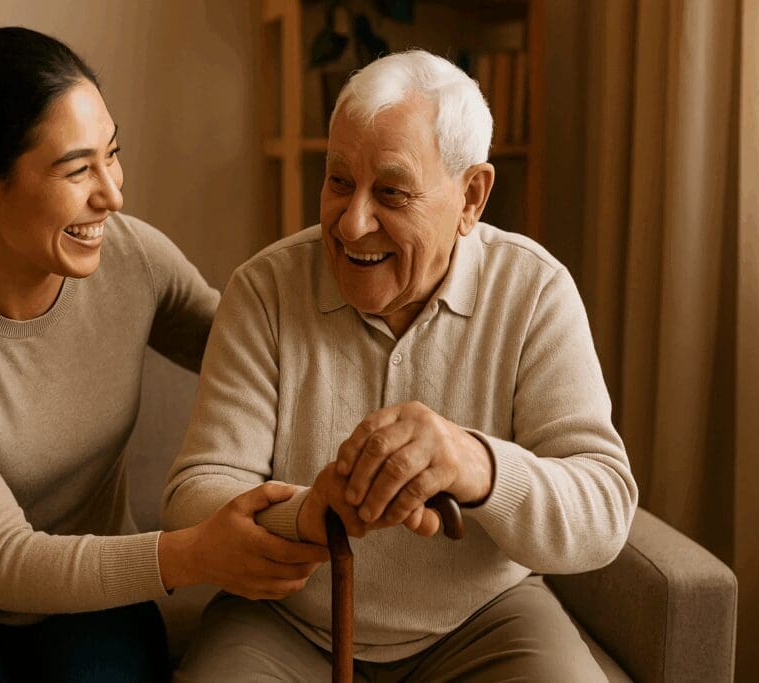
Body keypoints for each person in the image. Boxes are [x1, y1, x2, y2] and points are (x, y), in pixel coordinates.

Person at [0, 26, 328, 683]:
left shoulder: (132, 258)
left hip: (95, 602)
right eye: (77, 169)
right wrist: (194, 554)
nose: (113, 194)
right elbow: (3, 560)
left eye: (112, 154)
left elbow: (259, 356)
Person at [162, 49, 639, 681]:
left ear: (472, 196)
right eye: (338, 181)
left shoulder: (534, 291)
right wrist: (311, 513)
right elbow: (192, 498)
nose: (353, 224)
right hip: (288, 621)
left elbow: (603, 508)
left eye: (391, 192)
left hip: (483, 618)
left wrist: (476, 463)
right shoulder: (265, 291)